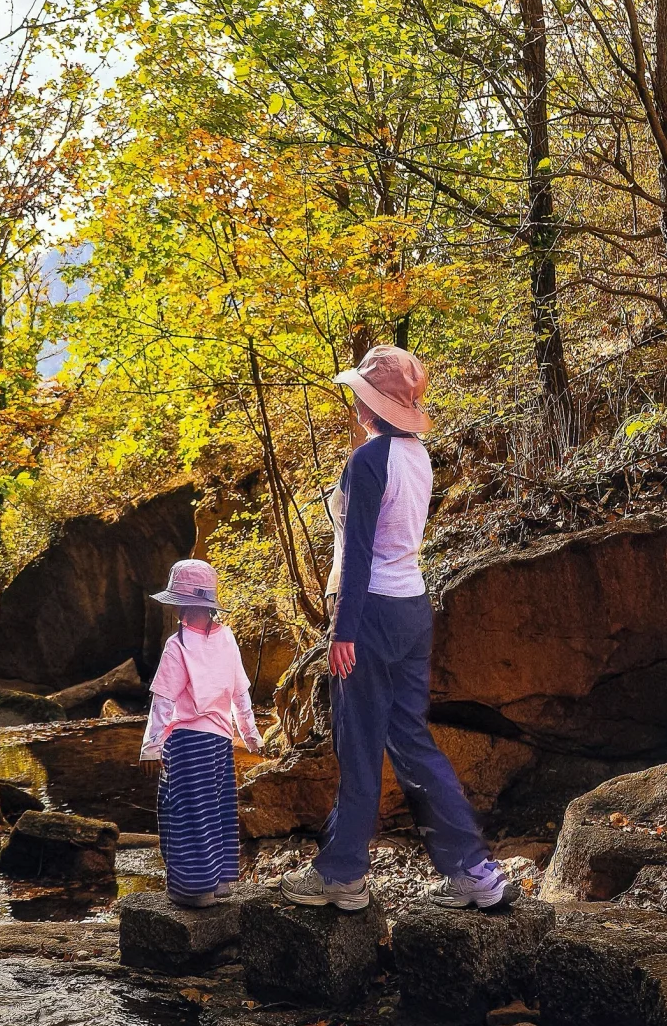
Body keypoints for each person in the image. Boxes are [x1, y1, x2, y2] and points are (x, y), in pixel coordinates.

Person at [281, 345, 519, 913]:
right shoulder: (418, 455)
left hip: (373, 614)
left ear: (375, 404)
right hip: (413, 608)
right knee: (412, 742)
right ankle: (474, 873)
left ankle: (341, 876)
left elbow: (359, 552)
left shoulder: (368, 461)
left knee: (359, 745)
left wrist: (343, 631)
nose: (356, 404)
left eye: (362, 395)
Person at [140, 557, 264, 908]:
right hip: (220, 741)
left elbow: (163, 702)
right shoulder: (227, 638)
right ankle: (220, 880)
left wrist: (151, 747)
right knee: (217, 806)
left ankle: (192, 888)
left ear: (184, 605)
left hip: (185, 742)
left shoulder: (177, 646)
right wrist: (251, 734)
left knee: (182, 808)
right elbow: (240, 692)